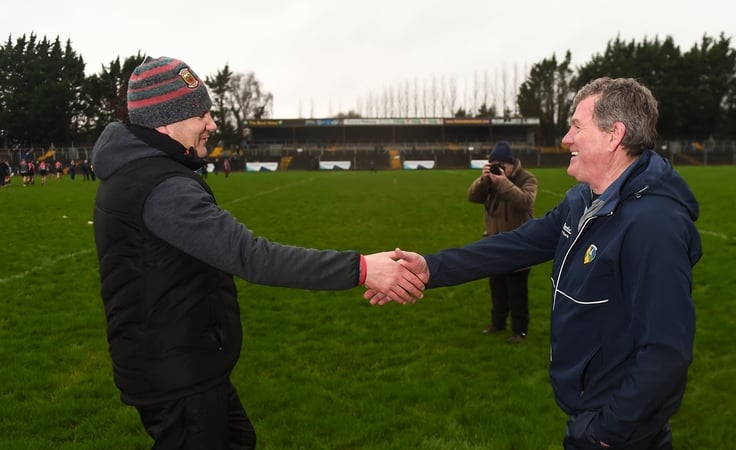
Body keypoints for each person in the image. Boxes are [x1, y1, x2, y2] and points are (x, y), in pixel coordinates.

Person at [91, 56, 425, 450]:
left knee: (239, 439)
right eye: (202, 114)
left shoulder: (140, 173)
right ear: (167, 120)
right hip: (176, 373)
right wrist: (362, 268)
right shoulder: (163, 187)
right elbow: (252, 256)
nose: (213, 124)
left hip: (177, 363)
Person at [370, 77, 702, 449]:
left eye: (577, 126)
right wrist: (432, 268)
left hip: (620, 431)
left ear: (614, 136)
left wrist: (609, 432)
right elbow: (516, 245)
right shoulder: (583, 201)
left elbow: (666, 352)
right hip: (588, 414)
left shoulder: (653, 225)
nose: (566, 139)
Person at [468, 140, 537, 343]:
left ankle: (520, 330)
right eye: (494, 164)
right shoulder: (490, 180)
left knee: (517, 292)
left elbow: (525, 203)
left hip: (520, 244)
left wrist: (503, 183)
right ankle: (497, 325)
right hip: (495, 242)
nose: (498, 168)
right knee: (497, 290)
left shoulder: (527, 178)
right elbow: (472, 197)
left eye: (502, 164)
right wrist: (484, 180)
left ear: (511, 163)